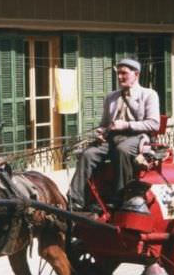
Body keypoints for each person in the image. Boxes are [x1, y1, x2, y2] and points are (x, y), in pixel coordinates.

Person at [68, 58, 160, 211]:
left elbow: (153, 123)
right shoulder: (111, 97)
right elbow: (104, 124)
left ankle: (119, 197)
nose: (119, 77)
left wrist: (126, 125)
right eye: (118, 74)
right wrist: (101, 132)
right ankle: (75, 200)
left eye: (124, 73)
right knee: (88, 154)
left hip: (137, 137)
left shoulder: (149, 95)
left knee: (122, 150)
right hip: (112, 138)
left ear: (136, 74)